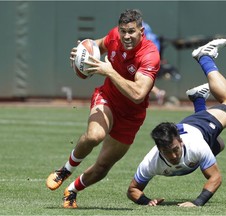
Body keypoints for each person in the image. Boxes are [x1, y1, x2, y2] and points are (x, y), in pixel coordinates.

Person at [46, 9, 160, 208]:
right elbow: (96, 45)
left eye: (131, 31)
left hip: (132, 115)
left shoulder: (150, 55)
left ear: (141, 31)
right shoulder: (114, 36)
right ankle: (65, 170)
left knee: (103, 166)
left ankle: (71, 190)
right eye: (123, 31)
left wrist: (109, 71)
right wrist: (82, 52)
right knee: (94, 136)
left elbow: (138, 94)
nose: (126, 36)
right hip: (107, 98)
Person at [127, 38, 226, 207]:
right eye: (167, 152)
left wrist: (197, 203)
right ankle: (198, 98)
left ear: (180, 141)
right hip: (194, 135)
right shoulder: (151, 161)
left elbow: (215, 177)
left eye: (175, 149)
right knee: (219, 144)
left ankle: (205, 57)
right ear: (159, 149)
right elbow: (132, 190)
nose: (173, 156)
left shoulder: (195, 145)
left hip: (199, 127)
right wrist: (147, 201)